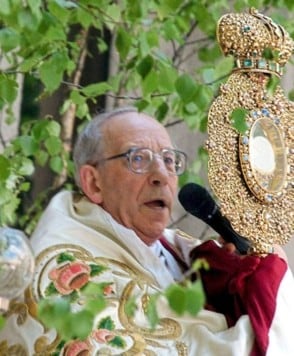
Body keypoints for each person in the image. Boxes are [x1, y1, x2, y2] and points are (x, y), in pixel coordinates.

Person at [0, 106, 293, 355]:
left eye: (169, 160)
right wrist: (272, 284)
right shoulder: (64, 269)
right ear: (93, 182)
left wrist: (236, 284)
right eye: (138, 159)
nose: (161, 176)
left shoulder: (181, 250)